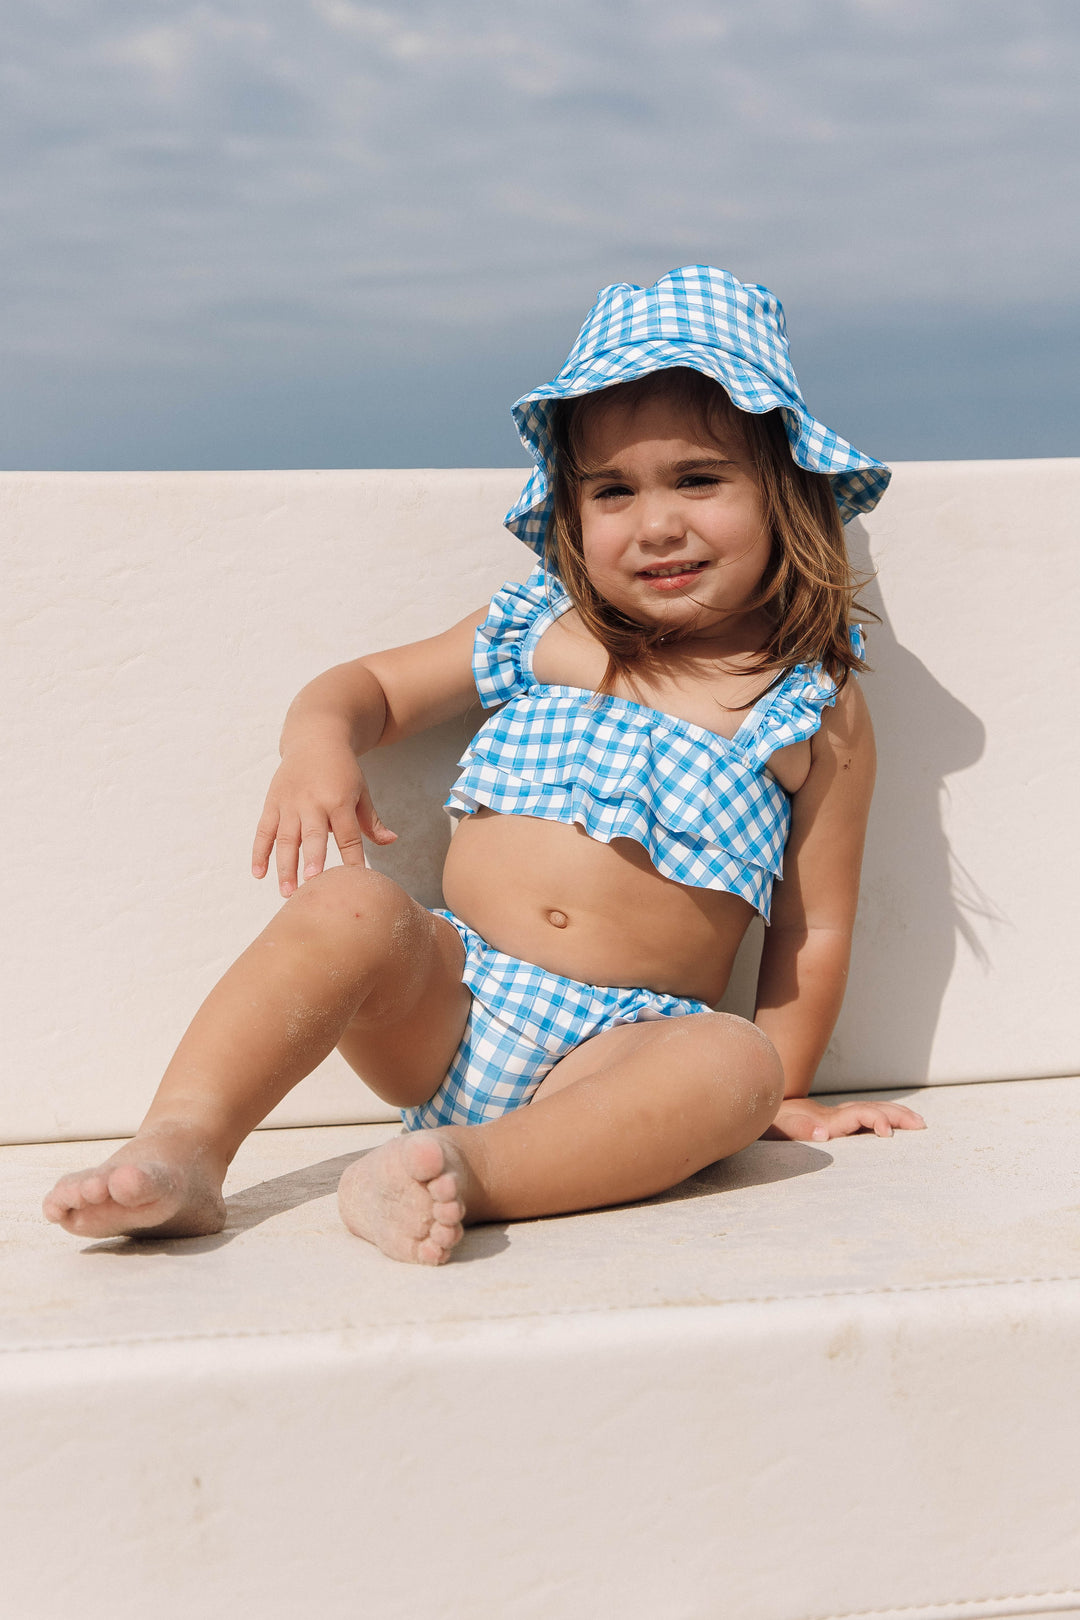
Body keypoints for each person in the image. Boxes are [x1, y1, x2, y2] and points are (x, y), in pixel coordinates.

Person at [43, 266, 924, 1265]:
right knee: (350, 908)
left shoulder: (805, 703)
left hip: (622, 1054)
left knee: (735, 1063)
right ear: (570, 509)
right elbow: (367, 687)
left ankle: (469, 1170)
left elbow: (815, 922)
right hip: (453, 1001)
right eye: (613, 490)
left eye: (699, 478)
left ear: (785, 492)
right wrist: (317, 743)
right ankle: (186, 1148)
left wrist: (790, 1084)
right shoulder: (538, 631)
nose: (657, 523)